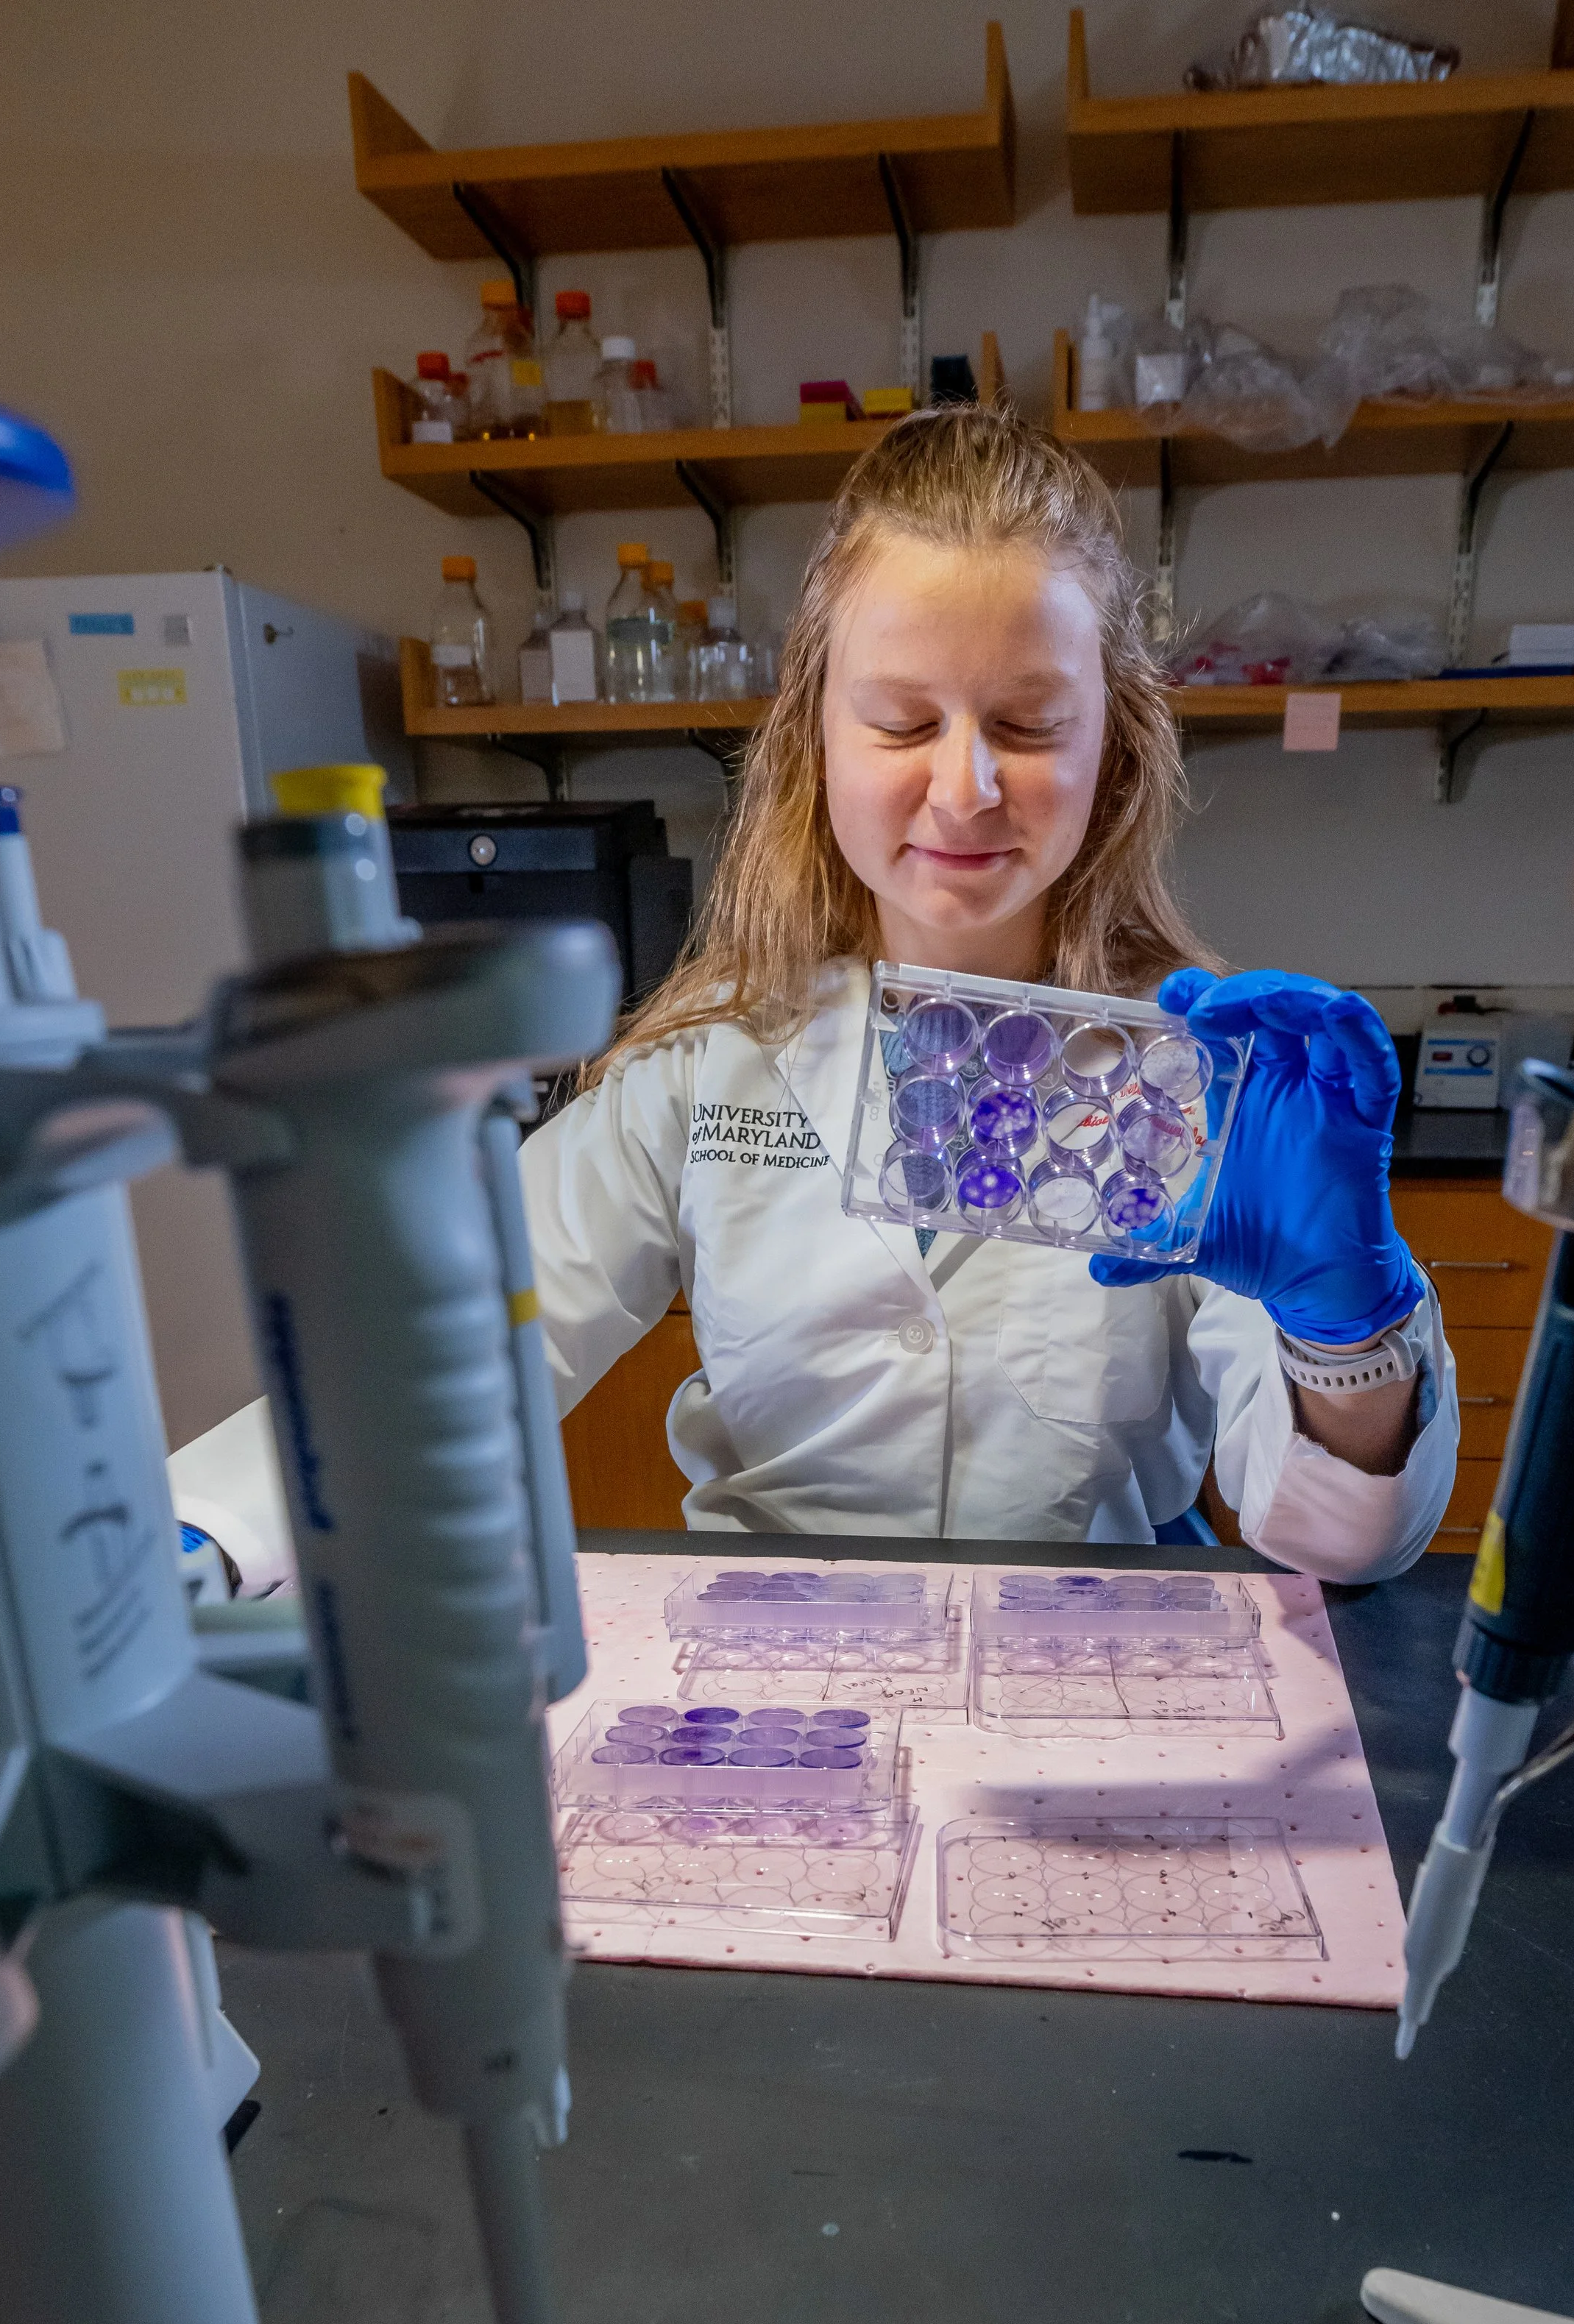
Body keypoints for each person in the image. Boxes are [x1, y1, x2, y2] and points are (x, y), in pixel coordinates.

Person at [519, 403, 1457, 1581]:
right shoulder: (716, 1056)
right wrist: (220, 1543)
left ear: (1110, 743)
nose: (963, 790)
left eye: (1026, 723)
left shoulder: (1201, 1072)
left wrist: (1347, 1330)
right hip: (776, 1678)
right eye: (903, 721)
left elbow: (1343, 1542)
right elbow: (453, 1340)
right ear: (817, 735)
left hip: (1096, 1672)